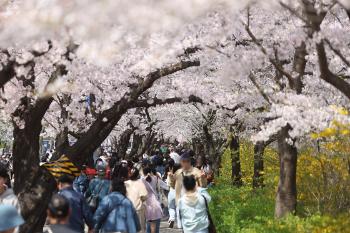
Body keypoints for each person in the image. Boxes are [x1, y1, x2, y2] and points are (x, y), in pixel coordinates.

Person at [125, 168, 148, 233]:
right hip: (138, 209)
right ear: (138, 175)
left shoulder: (125, 183)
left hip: (127, 209)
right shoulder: (140, 183)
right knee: (140, 229)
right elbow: (144, 196)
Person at [142, 167, 164, 233]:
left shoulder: (142, 179)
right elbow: (164, 185)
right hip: (156, 202)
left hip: (147, 203)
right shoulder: (155, 178)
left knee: (148, 225)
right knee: (155, 226)